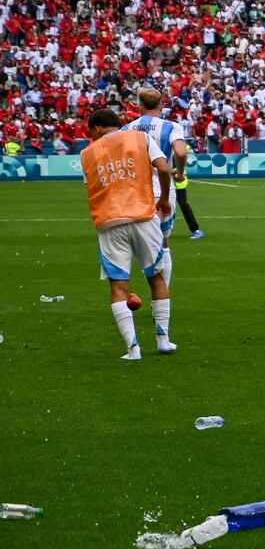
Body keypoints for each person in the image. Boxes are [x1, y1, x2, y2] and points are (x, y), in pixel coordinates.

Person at [79, 109, 176, 360]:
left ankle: (133, 349)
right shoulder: (140, 138)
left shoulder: (87, 154)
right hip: (144, 216)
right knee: (156, 278)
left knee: (118, 286)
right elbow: (164, 169)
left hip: (110, 221)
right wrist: (164, 199)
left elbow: (91, 185)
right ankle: (163, 340)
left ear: (97, 128)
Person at [121, 87, 189, 285]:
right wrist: (181, 171)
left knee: (138, 240)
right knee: (163, 241)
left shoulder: (127, 128)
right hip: (162, 189)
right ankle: (161, 293)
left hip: (136, 190)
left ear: (139, 105)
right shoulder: (171, 126)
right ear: (161, 104)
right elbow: (181, 153)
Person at [174, 146, 204, 239]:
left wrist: (180, 169)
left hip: (178, 181)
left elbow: (191, 159)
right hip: (163, 180)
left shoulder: (181, 145)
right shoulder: (161, 144)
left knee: (183, 205)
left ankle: (195, 230)